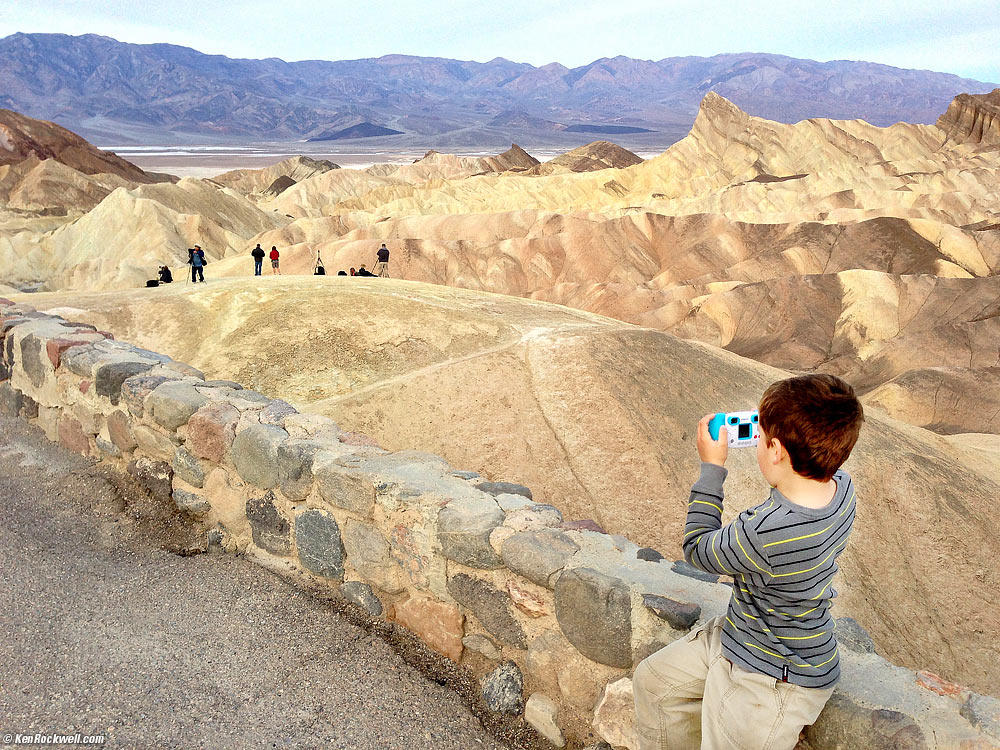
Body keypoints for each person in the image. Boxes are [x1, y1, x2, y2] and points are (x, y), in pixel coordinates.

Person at [633, 374, 864, 750]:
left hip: (772, 675)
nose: (756, 437)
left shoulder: (764, 532)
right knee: (656, 683)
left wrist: (713, 467)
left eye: (764, 435)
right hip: (744, 634)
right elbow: (794, 490)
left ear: (775, 451)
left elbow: (697, 548)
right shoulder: (842, 486)